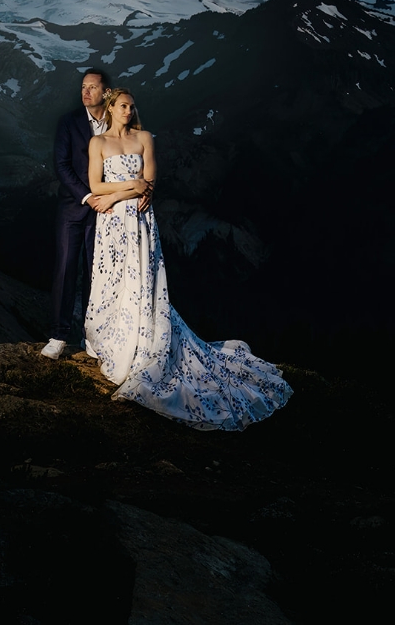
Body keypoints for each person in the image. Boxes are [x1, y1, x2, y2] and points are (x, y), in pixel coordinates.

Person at [84, 88, 293, 429]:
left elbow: (149, 183)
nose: (129, 111)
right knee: (113, 279)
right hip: (112, 222)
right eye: (123, 106)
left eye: (132, 106)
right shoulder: (98, 144)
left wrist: (128, 189)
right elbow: (96, 184)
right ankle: (112, 336)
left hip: (139, 221)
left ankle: (143, 337)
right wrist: (127, 189)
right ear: (110, 108)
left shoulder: (144, 138)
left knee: (143, 280)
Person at [40, 68, 117, 360]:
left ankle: (91, 337)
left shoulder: (116, 121)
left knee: (96, 276)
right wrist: (88, 196)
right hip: (73, 209)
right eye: (83, 87)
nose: (85, 92)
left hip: (107, 212)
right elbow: (61, 166)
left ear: (106, 93)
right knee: (65, 270)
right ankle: (58, 336)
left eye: (92, 88)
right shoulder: (68, 122)